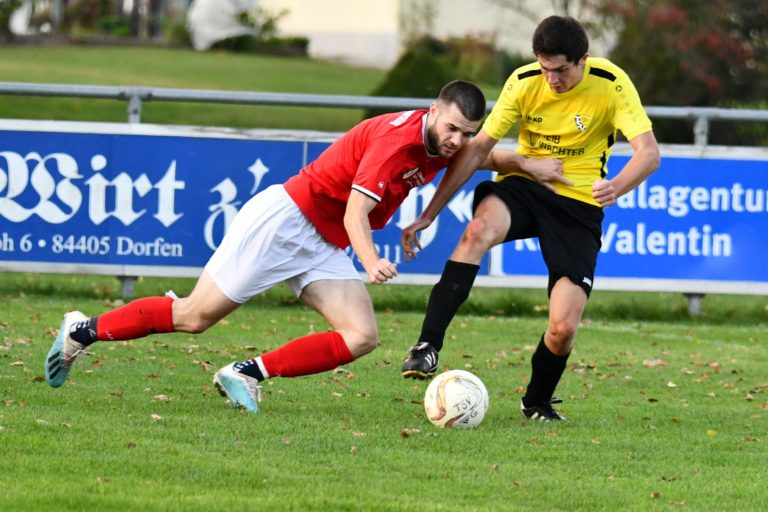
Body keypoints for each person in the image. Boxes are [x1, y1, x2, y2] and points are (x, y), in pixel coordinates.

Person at [44, 80, 488, 413]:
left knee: (361, 336)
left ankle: (244, 374)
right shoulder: (397, 143)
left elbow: (481, 155)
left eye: (467, 133)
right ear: (433, 111)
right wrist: (370, 261)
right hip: (287, 222)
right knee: (194, 316)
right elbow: (356, 213)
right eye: (452, 128)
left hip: (322, 241)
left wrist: (523, 162)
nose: (457, 141)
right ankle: (80, 331)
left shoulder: (441, 142)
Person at [400, 16, 661, 422]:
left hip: (579, 205)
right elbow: (475, 149)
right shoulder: (523, 82)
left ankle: (536, 402)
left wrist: (618, 186)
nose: (551, 79)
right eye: (544, 67)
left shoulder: (610, 83)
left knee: (563, 328)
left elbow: (648, 153)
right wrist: (429, 214)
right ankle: (426, 346)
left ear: (583, 60)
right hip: (525, 186)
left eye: (561, 70)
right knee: (476, 231)